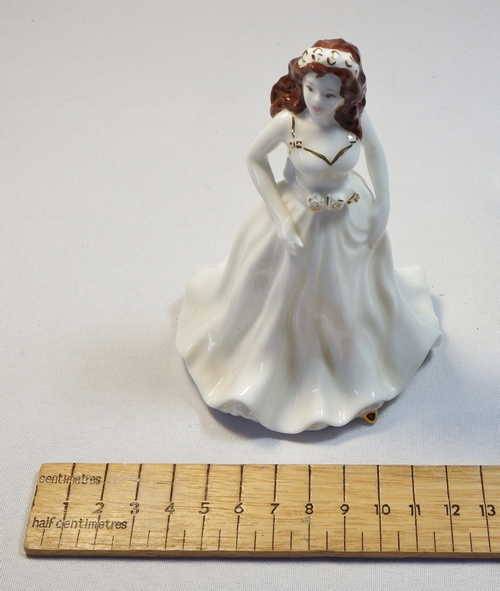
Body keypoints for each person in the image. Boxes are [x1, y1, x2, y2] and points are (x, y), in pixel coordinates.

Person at [175, 38, 441, 434]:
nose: (317, 100)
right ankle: (285, 374)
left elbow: (377, 157)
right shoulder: (289, 123)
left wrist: (382, 205)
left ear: (347, 96)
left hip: (350, 218)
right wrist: (281, 217)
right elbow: (254, 160)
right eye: (311, 88)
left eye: (329, 94)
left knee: (348, 295)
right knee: (287, 298)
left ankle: (351, 370)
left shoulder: (356, 123)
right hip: (299, 219)